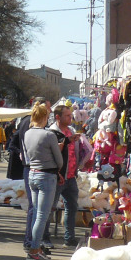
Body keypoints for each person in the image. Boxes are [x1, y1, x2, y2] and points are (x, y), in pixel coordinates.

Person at [23, 102, 63, 260]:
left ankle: (33, 245)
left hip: (32, 173)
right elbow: (59, 161)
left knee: (36, 213)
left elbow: (27, 155)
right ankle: (34, 249)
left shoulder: (27, 133)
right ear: (45, 117)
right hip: (46, 175)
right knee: (42, 215)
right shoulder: (48, 135)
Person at [53, 103, 87, 248]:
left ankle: (69, 237)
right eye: (67, 116)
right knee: (50, 208)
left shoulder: (71, 130)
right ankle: (44, 239)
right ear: (57, 117)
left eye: (70, 115)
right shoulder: (53, 132)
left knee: (72, 207)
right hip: (58, 177)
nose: (70, 118)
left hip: (71, 176)